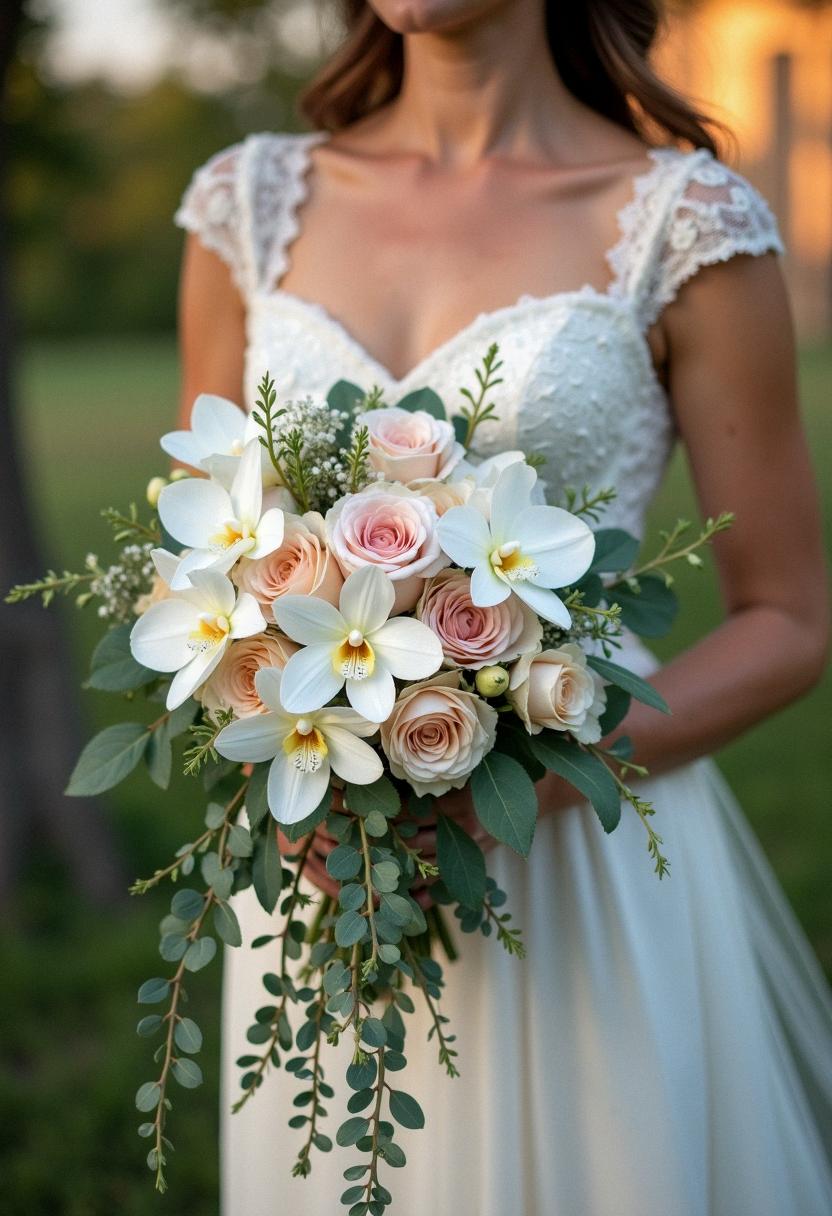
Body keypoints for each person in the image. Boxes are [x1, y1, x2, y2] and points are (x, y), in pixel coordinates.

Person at [174, 2, 832, 1212]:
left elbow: (791, 618)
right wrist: (276, 747)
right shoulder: (244, 205)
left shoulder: (686, 222)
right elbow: (198, 565)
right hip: (328, 859)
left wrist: (519, 771)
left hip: (580, 846)